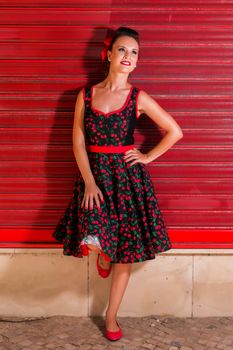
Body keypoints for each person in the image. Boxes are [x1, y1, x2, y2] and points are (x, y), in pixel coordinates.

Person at [52, 26, 183, 341]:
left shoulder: (138, 97)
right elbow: (78, 142)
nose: (128, 56)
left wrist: (148, 157)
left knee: (125, 250)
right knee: (94, 230)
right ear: (108, 54)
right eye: (122, 49)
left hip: (127, 180)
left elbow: (175, 131)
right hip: (94, 175)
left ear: (137, 62)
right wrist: (89, 182)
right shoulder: (86, 95)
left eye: (134, 52)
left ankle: (111, 316)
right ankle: (104, 252)